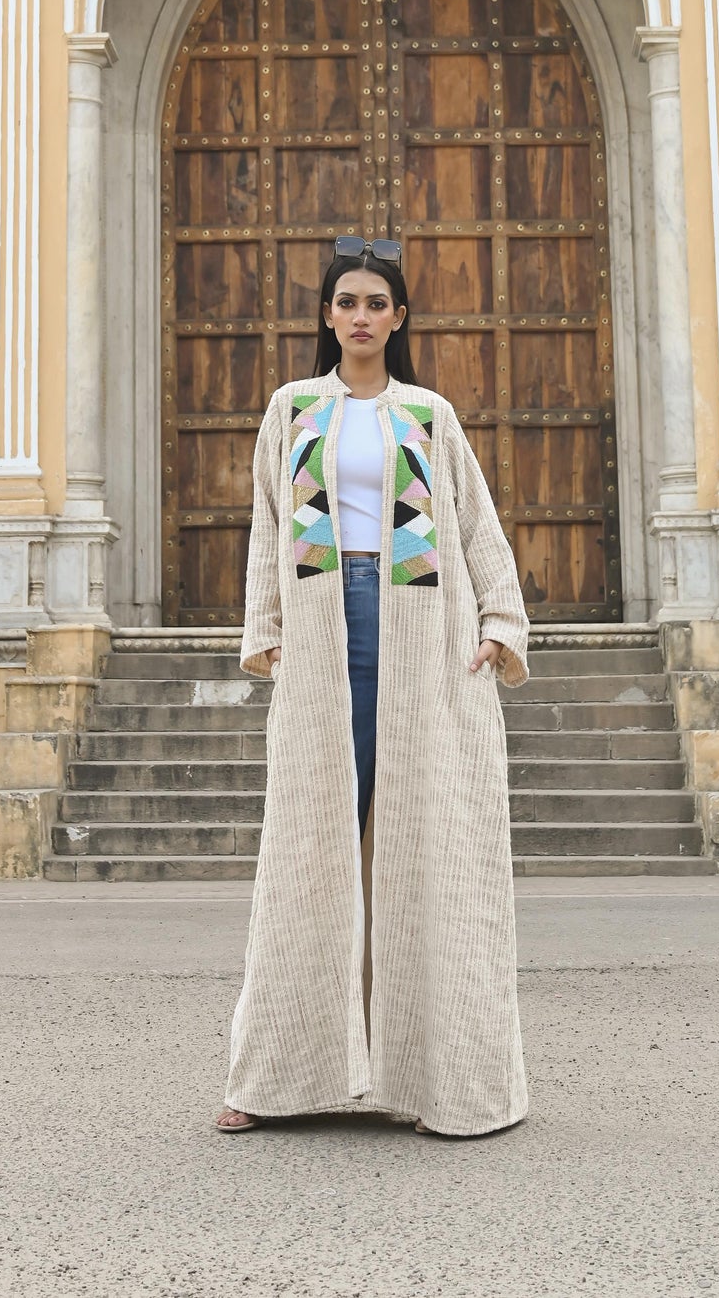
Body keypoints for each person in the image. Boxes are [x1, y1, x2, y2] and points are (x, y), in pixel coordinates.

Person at [216, 235, 530, 1138]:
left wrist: (499, 625)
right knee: (310, 842)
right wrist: (265, 628)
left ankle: (439, 1079)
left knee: (421, 841)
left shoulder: (428, 415)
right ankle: (274, 1075)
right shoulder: (293, 411)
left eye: (376, 303)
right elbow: (266, 524)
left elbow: (476, 526)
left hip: (417, 628)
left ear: (398, 319)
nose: (360, 316)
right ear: (327, 316)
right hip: (324, 632)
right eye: (346, 301)